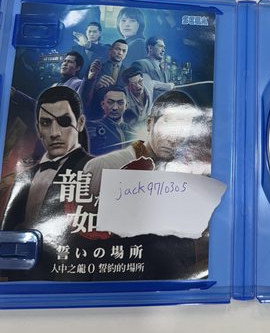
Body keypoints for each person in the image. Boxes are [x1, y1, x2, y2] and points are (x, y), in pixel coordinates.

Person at [84, 91, 210, 280]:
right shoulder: (105, 166)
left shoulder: (184, 179)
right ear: (150, 123)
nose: (173, 139)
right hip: (110, 280)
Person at [1, 87, 93, 279]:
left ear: (80, 123)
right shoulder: (24, 177)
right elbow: (7, 236)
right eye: (46, 123)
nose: (54, 133)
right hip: (20, 281)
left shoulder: (95, 171)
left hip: (72, 280)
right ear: (38, 128)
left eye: (64, 121)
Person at [80, 39, 128, 120]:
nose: (120, 53)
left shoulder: (127, 73)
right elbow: (83, 92)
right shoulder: (96, 66)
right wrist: (95, 84)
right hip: (95, 114)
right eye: (117, 49)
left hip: (117, 117)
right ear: (110, 50)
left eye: (124, 51)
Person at [86, 86, 135, 156]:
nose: (115, 107)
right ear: (103, 104)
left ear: (126, 105)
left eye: (120, 103)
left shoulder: (133, 132)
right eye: (110, 102)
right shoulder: (92, 128)